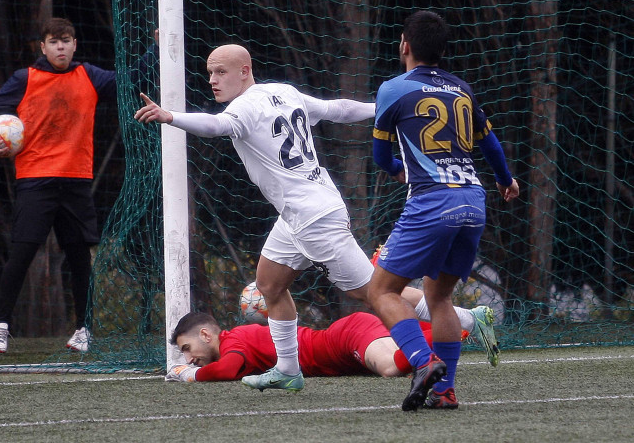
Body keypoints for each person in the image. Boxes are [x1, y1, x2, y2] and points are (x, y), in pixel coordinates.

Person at [134, 43, 500, 404]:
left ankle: (468, 320)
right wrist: (383, 108)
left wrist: (171, 117)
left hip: (313, 216)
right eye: (210, 72)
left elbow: (214, 126)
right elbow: (336, 109)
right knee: (269, 284)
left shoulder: (243, 109)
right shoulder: (282, 91)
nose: (213, 80)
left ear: (245, 71)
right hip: (298, 212)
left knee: (373, 291)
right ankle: (289, 371)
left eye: (221, 72)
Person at [0, 17, 157, 354]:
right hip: (35, 180)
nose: (60, 47)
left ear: (74, 45)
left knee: (80, 257)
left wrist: (156, 49)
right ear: (43, 47)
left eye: (66, 41)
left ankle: (83, 329)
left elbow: (130, 82)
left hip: (76, 181)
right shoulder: (24, 79)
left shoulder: (89, 76)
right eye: (54, 42)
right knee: (22, 254)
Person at [368, 10, 520, 410]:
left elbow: (381, 156)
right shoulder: (462, 89)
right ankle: (444, 391)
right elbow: (491, 145)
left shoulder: (393, 89)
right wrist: (506, 180)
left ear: (404, 44)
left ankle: (423, 360)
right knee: (439, 298)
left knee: (381, 289)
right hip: (474, 200)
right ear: (443, 50)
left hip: (433, 200)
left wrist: (401, 171)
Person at [165, 286, 495, 383]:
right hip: (343, 347)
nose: (187, 356)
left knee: (392, 367)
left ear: (207, 335)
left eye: (187, 347)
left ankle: (460, 326)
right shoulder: (237, 340)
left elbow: (224, 371)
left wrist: (187, 374)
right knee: (400, 330)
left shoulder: (235, 339)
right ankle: (464, 322)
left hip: (342, 341)